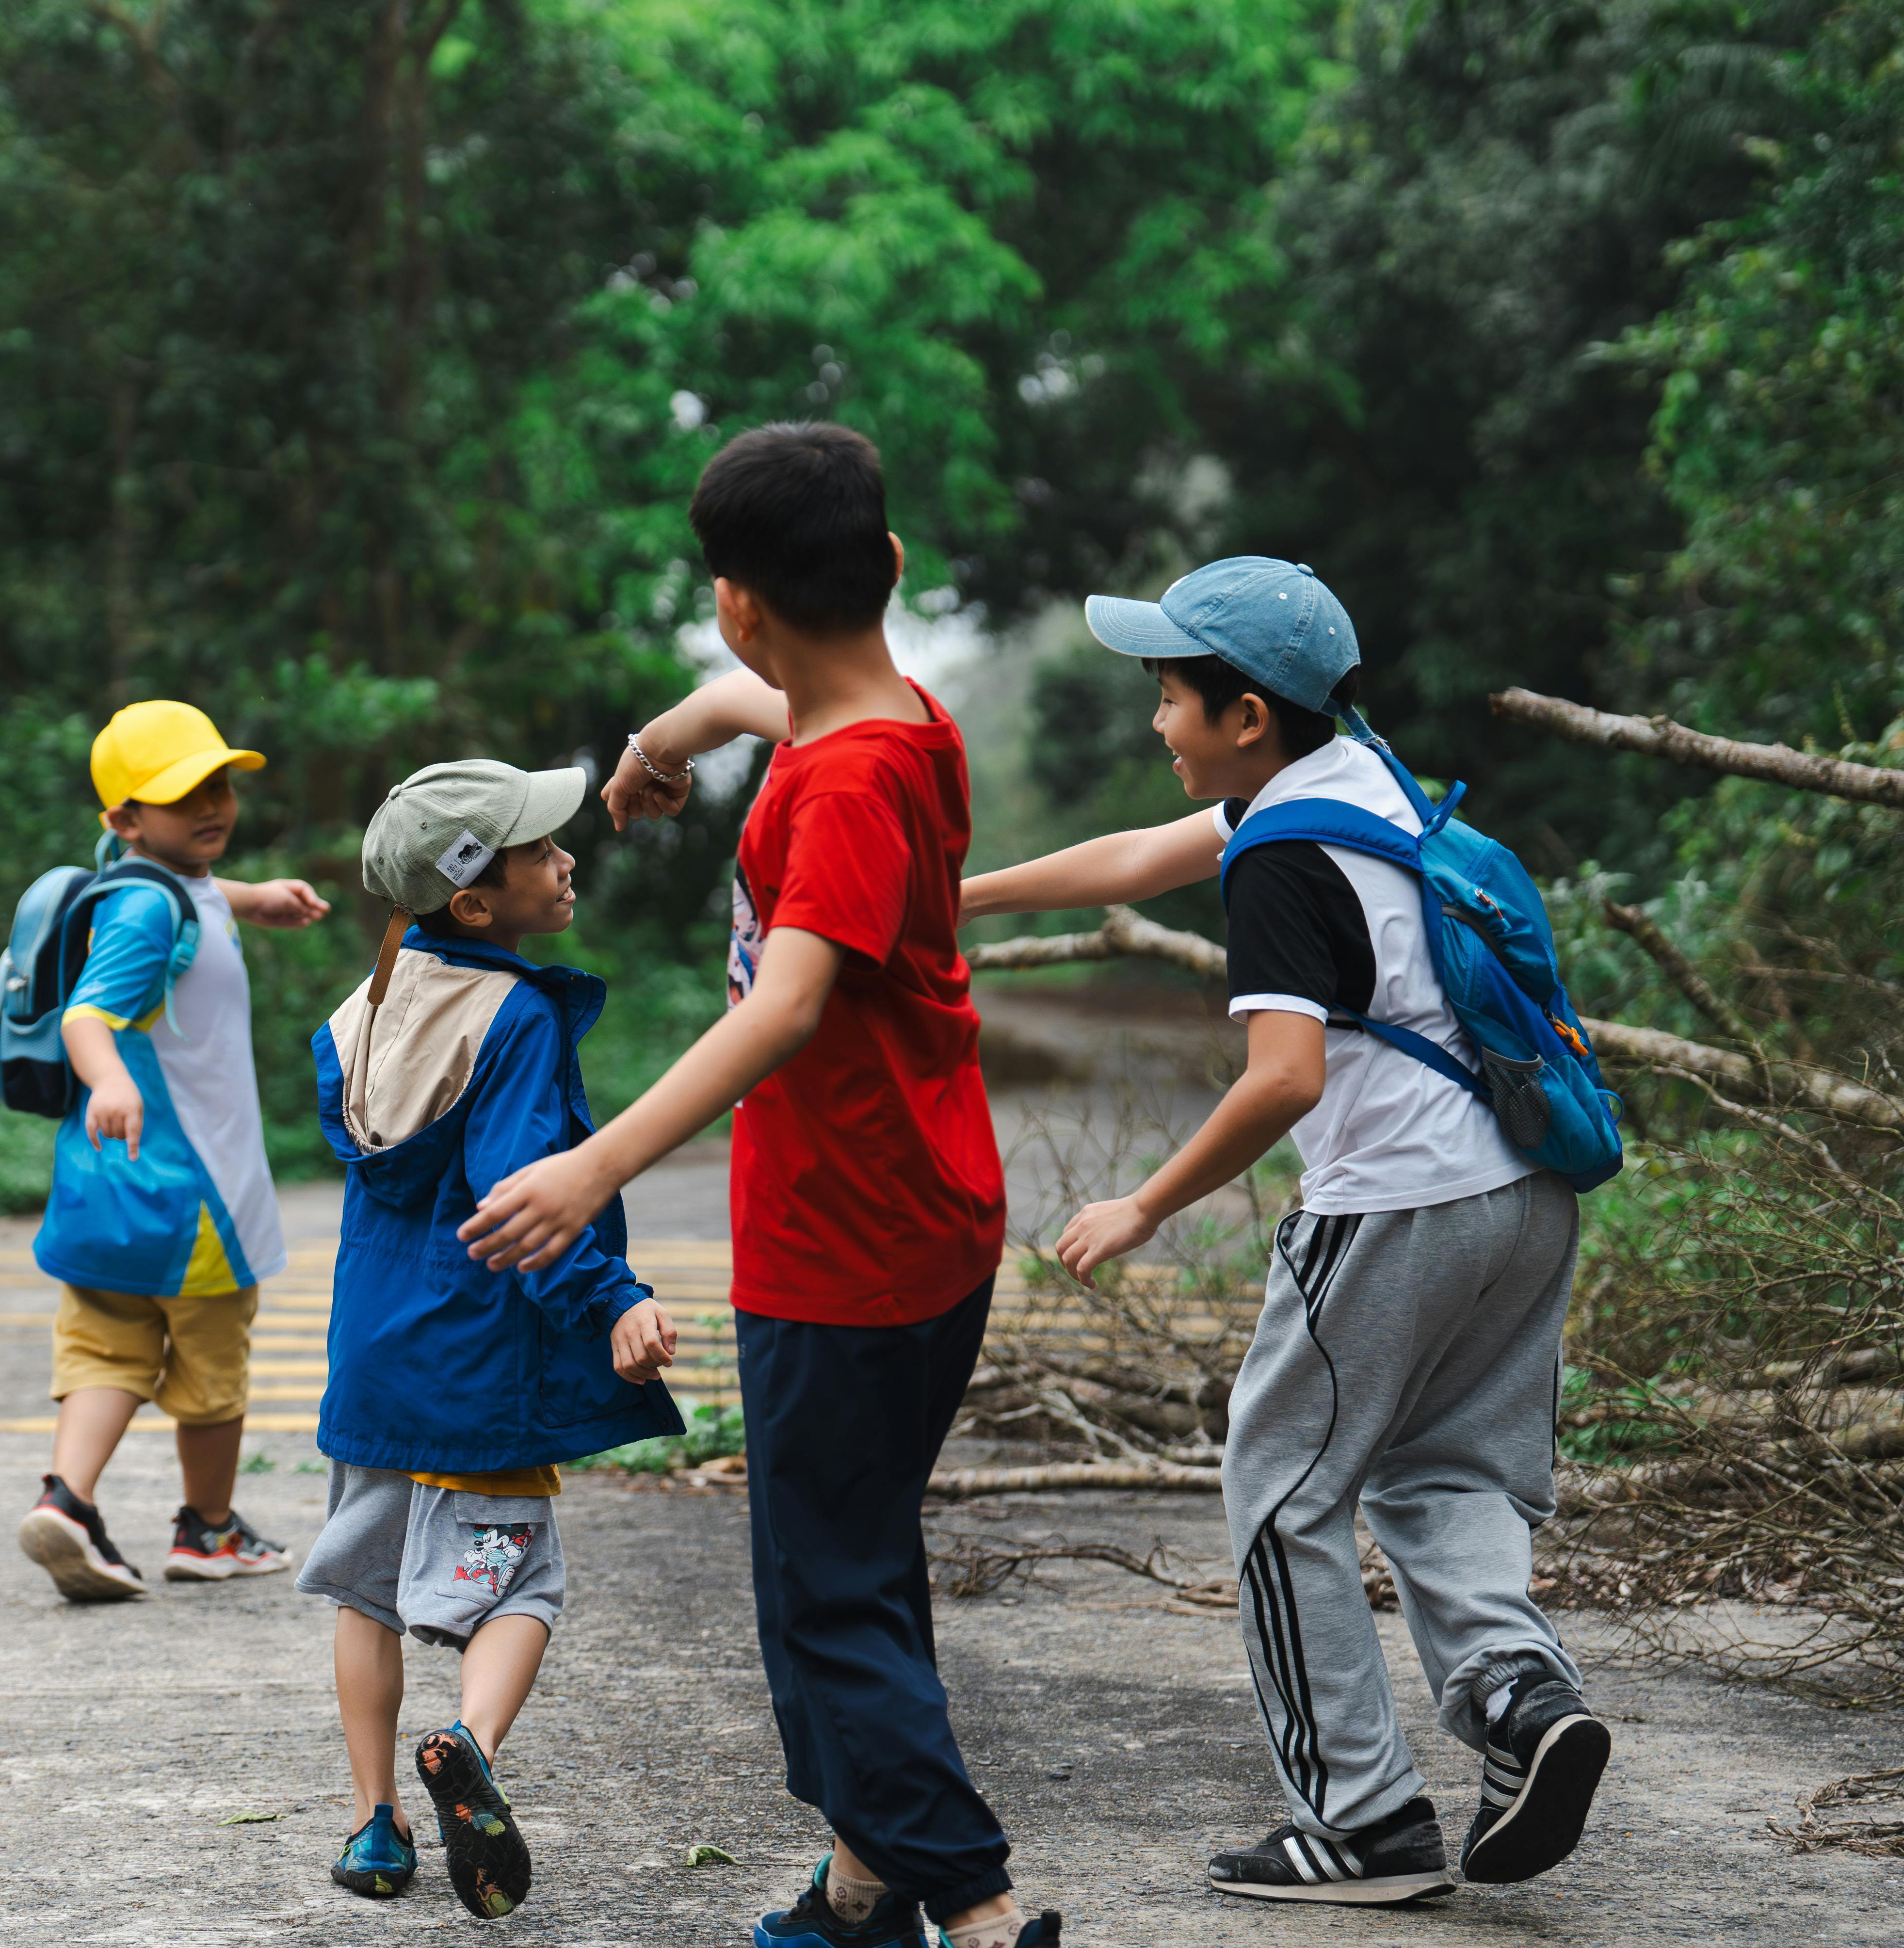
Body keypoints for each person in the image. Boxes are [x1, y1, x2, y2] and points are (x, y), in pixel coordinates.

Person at [458, 425, 1058, 1948]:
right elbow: (745, 703)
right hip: (927, 1213)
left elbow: (784, 1007)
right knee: (858, 1560)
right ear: (888, 566)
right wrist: (653, 751)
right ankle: (859, 1897)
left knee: (824, 1603)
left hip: (847, 1244)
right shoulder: (901, 721)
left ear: (735, 600)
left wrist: (592, 1163)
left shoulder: (841, 783)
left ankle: (978, 1909)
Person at [958, 556, 1610, 1904]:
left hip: (1392, 1208)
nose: (1156, 721)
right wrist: (952, 897)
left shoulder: (1276, 859)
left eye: (1168, 696)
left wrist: (1144, 1202)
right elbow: (1134, 858)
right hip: (1524, 1194)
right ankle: (1521, 1698)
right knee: (1444, 1473)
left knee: (1280, 1491)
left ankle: (1361, 1820)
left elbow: (1283, 1079)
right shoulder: (1361, 782)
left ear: (1245, 713)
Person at [299, 758, 688, 1920]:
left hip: (375, 1363)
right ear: (474, 901)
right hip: (478, 1364)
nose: (567, 860)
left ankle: (376, 1824)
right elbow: (522, 1193)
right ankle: (466, 1742)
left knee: (367, 1591)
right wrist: (612, 1297)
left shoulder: (360, 1015)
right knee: (524, 1581)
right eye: (541, 850)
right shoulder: (514, 1014)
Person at [15, 699, 331, 1602]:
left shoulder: (153, 887)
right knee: (212, 1368)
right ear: (124, 818)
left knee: (106, 1348)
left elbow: (198, 896)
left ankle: (68, 1501)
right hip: (192, 1193)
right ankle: (209, 1527)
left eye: (218, 785)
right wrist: (110, 1078)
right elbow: (88, 1015)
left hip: (103, 1185)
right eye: (184, 794)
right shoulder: (148, 913)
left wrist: (259, 899)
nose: (212, 806)